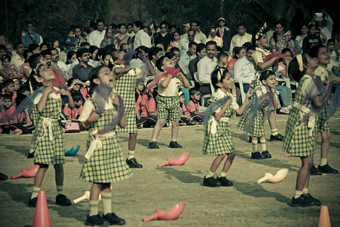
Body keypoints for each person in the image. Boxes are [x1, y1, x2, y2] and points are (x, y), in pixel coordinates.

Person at [78, 66, 132, 226]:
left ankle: (107, 212)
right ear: (96, 81)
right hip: (98, 143)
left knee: (107, 180)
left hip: (111, 143)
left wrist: (120, 105)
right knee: (97, 181)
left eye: (111, 73)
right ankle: (92, 215)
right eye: (106, 73)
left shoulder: (114, 100)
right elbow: (81, 125)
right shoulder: (91, 102)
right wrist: (89, 120)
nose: (111, 75)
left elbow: (123, 125)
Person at [283, 53, 333, 207]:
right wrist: (328, 87)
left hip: (303, 123)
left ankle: (304, 193)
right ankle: (297, 196)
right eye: (311, 59)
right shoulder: (308, 81)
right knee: (307, 163)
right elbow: (318, 102)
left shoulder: (306, 80)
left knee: (309, 161)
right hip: (302, 125)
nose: (314, 59)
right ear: (305, 66)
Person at [27, 64, 74, 207]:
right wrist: (47, 92)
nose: (49, 71)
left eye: (49, 69)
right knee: (43, 164)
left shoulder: (58, 91)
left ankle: (60, 193)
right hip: (44, 130)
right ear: (39, 78)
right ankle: (34, 195)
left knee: (59, 164)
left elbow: (71, 106)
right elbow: (40, 109)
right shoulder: (40, 92)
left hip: (55, 129)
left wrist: (68, 95)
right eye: (45, 70)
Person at [202, 68, 253, 187]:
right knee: (222, 154)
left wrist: (247, 98)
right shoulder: (216, 97)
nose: (231, 81)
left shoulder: (229, 95)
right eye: (228, 79)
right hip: (217, 126)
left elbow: (239, 111)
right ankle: (209, 176)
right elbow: (218, 116)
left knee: (232, 153)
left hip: (225, 126)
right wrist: (227, 104)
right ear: (219, 83)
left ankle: (222, 175)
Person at [148, 56, 191, 149]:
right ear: (163, 67)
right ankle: (153, 141)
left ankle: (173, 140)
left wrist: (182, 76)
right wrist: (170, 75)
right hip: (163, 100)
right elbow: (164, 85)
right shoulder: (161, 76)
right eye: (167, 61)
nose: (171, 61)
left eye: (171, 61)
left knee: (175, 121)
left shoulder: (176, 77)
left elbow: (188, 86)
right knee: (161, 121)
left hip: (174, 100)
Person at [309, 44, 339, 175]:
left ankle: (323, 163)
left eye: (327, 52)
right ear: (316, 58)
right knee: (313, 136)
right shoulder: (317, 70)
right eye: (322, 53)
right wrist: (332, 80)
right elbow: (318, 86)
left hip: (324, 105)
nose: (327, 55)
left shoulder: (326, 70)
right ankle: (310, 164)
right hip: (315, 107)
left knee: (326, 135)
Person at [252, 26, 285, 142]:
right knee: (260, 108)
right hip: (261, 82)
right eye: (264, 38)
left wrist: (276, 59)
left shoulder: (268, 52)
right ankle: (255, 134)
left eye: (267, 37)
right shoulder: (257, 52)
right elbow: (261, 66)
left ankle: (274, 132)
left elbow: (274, 68)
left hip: (269, 81)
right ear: (257, 41)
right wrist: (274, 58)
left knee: (271, 107)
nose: (267, 39)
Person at [113, 56, 143, 168]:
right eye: (122, 56)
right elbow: (118, 70)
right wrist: (131, 67)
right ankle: (113, 158)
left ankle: (131, 157)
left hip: (130, 106)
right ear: (116, 60)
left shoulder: (132, 70)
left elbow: (150, 72)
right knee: (114, 133)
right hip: (118, 106)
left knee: (133, 133)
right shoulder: (115, 68)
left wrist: (145, 59)